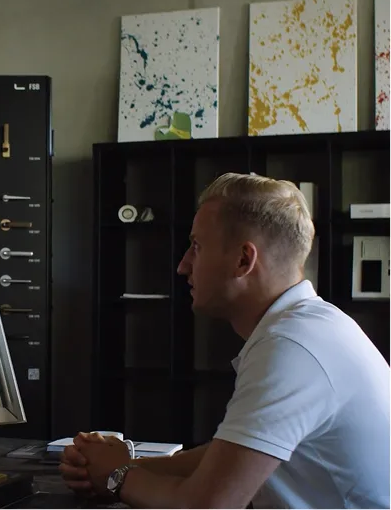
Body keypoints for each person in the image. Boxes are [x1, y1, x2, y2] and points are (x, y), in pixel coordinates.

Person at [60, 173, 390, 508]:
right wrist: (122, 468)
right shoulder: (309, 328)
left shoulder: (292, 347)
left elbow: (206, 506)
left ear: (244, 260)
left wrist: (116, 478)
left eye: (196, 246)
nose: (183, 265)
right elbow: (231, 455)